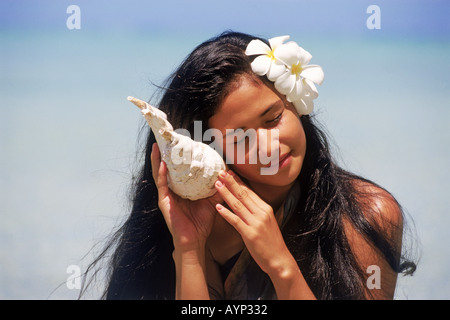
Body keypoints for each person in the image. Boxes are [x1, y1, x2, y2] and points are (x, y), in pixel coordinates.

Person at [82, 31, 416, 300]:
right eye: (241, 140)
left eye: (273, 119)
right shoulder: (206, 222)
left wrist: (280, 264)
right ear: (212, 151)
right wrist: (189, 251)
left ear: (294, 102)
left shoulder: (367, 215)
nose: (269, 147)